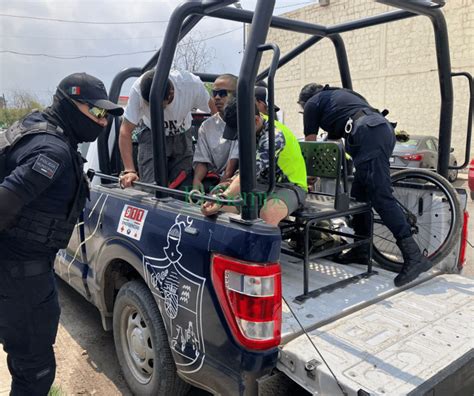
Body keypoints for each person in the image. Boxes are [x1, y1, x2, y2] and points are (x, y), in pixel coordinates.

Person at [0, 73, 123, 395]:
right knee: (35, 370)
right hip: (22, 275)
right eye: (96, 112)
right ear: (69, 104)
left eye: (106, 115)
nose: (102, 121)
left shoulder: (34, 127)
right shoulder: (51, 152)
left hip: (15, 268)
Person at [299, 82, 432, 287]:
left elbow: (311, 145)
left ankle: (414, 257)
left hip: (368, 133)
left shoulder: (312, 104)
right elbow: (330, 145)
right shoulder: (338, 98)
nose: (303, 111)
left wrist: (307, 175)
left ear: (305, 101)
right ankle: (361, 250)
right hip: (377, 130)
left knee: (379, 195)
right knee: (359, 194)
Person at [201, 97, 307, 226]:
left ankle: (266, 246)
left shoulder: (274, 137)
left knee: (268, 214)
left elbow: (249, 173)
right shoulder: (252, 129)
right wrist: (224, 189)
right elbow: (245, 170)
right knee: (221, 208)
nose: (239, 137)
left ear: (256, 120)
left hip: (290, 187)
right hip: (261, 185)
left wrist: (223, 197)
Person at [119, 69, 213, 189]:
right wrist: (129, 170)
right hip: (151, 135)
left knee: (183, 186)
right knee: (151, 188)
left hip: (182, 134)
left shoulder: (191, 85)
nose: (159, 111)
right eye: (151, 106)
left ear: (171, 94)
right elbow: (125, 131)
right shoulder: (137, 91)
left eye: (161, 107)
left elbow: (214, 111)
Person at [192, 74, 239, 191]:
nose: (217, 97)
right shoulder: (207, 126)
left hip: (239, 179)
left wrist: (218, 192)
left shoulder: (247, 122)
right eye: (214, 93)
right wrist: (196, 181)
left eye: (222, 93)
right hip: (216, 178)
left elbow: (233, 163)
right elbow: (202, 159)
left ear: (237, 95)